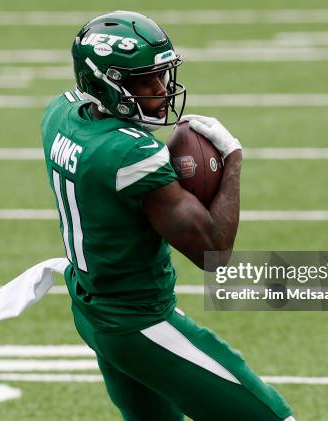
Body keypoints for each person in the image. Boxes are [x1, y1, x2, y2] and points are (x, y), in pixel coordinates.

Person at [41, 10, 294, 421]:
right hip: (138, 323)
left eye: (162, 76)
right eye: (144, 80)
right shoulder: (129, 154)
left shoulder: (60, 115)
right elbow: (214, 251)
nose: (160, 89)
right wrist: (232, 161)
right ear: (103, 83)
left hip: (91, 309)